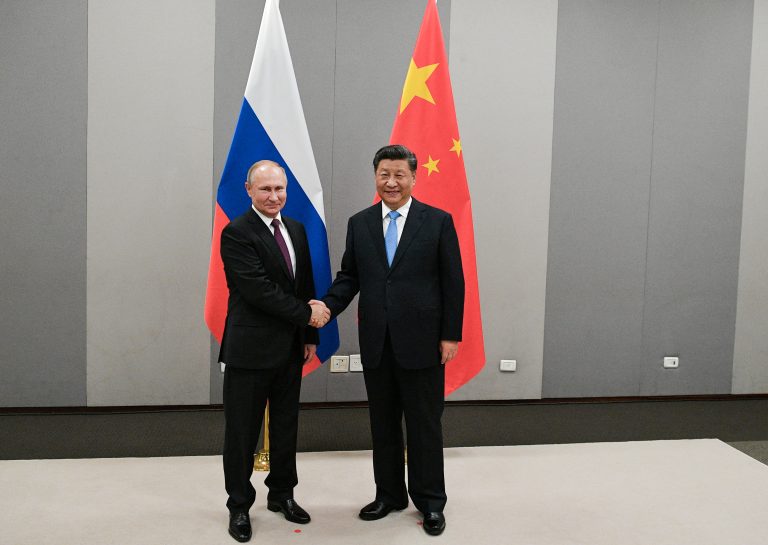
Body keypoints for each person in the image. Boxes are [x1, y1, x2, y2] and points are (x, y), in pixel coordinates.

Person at [316, 144, 464, 536]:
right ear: (375, 177)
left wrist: (451, 334)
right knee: (382, 425)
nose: (391, 182)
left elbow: (453, 282)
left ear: (414, 177)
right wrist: (327, 306)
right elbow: (350, 277)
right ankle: (389, 495)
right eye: (384, 174)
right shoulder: (360, 223)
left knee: (424, 426)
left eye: (399, 174)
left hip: (424, 343)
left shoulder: (437, 222)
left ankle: (431, 502)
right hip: (377, 342)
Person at [219, 160, 330, 543]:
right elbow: (258, 290)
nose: (273, 196)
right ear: (248, 190)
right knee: (242, 433)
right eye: (265, 189)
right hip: (249, 351)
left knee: (285, 426)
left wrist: (310, 335)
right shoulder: (236, 233)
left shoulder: (295, 228)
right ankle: (238, 505)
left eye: (279, 188)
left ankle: (282, 494)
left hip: (290, 349)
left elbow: (304, 284)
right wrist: (307, 315)